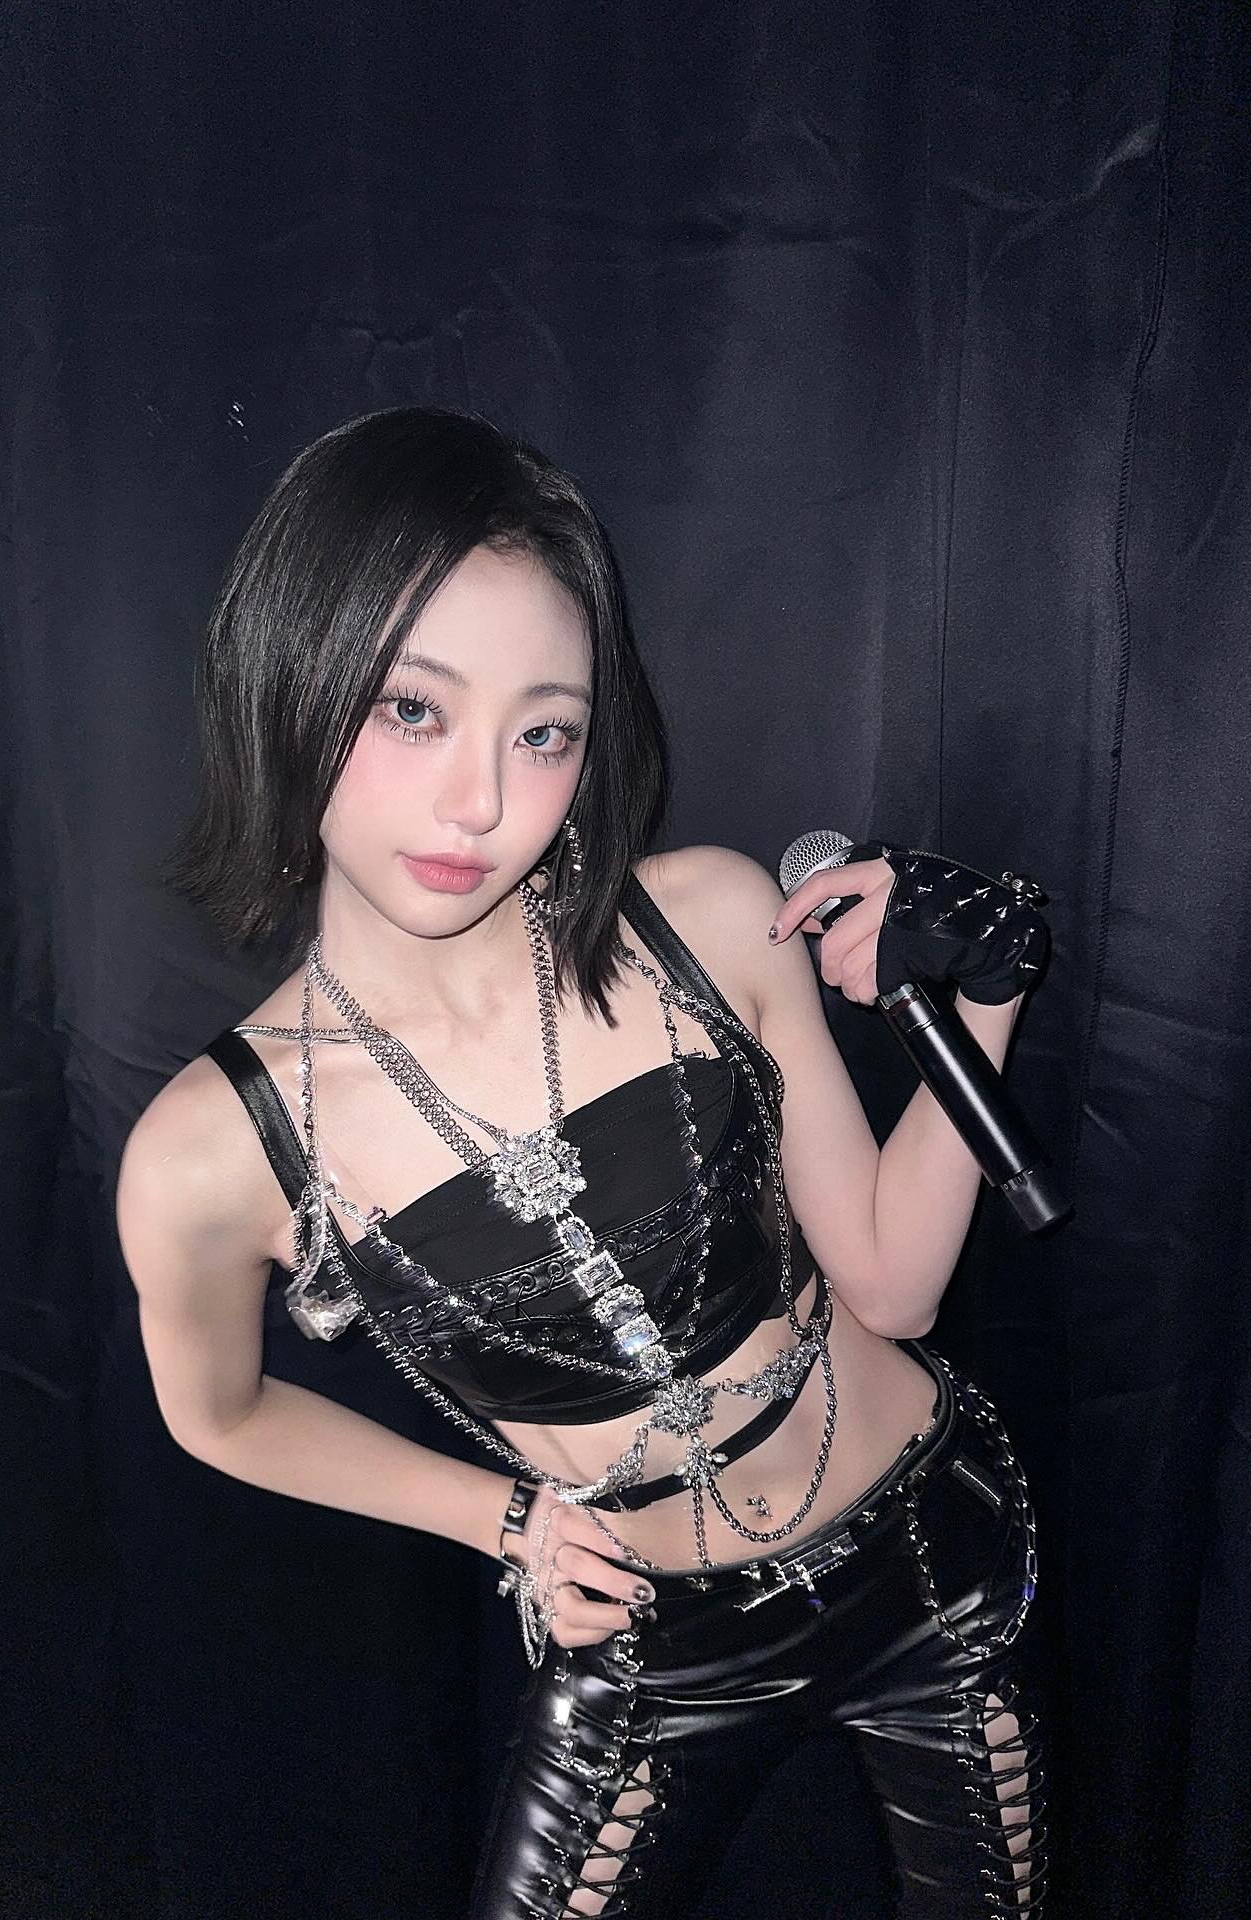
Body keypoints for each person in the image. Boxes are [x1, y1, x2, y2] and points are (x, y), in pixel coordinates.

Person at [116, 405, 1050, 1918]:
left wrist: (987, 996)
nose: (480, 801)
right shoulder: (209, 1150)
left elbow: (893, 1288)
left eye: (542, 731)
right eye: (412, 709)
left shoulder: (709, 923)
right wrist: (503, 1522)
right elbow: (217, 1415)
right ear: (289, 682)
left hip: (933, 1549)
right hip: (654, 1648)